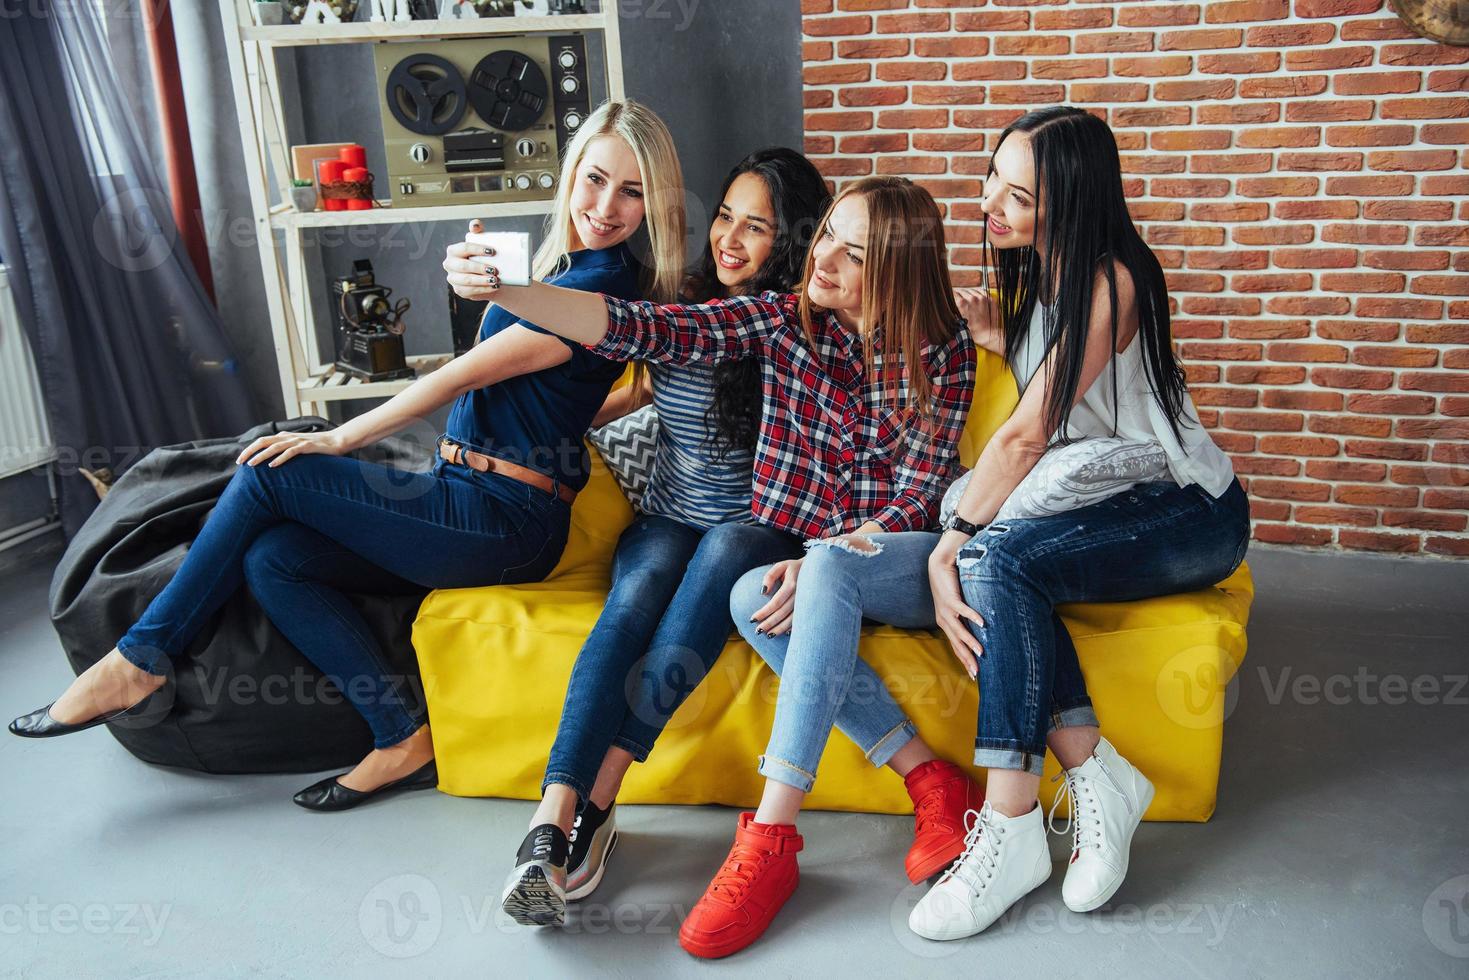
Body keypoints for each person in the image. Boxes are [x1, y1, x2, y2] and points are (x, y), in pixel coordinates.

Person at [9, 99, 688, 814]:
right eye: (594, 178)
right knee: (274, 558)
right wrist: (599, 404)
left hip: (503, 521)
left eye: (632, 190)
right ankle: (401, 735)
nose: (605, 205)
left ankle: (142, 658)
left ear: (654, 203)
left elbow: (458, 376)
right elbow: (573, 389)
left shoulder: (599, 288)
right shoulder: (559, 270)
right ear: (570, 173)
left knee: (278, 471)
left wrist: (337, 437)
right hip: (464, 491)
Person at [444, 174, 981, 956]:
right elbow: (642, 328)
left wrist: (828, 552)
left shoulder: (946, 352)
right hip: (803, 561)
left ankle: (770, 841)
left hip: (898, 560)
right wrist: (517, 289)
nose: (822, 259)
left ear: (897, 267)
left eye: (852, 251)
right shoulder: (783, 319)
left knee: (803, 570)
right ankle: (929, 781)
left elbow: (919, 494)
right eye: (825, 234)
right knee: (740, 596)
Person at [908, 105, 1251, 941]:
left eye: (1018, 195)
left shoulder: (1112, 279)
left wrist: (946, 543)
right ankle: (1096, 777)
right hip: (1109, 497)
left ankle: (1010, 826)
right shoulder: (1047, 276)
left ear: (1070, 200)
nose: (992, 203)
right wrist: (999, 334)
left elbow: (1030, 432)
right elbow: (1056, 396)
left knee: (990, 558)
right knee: (1009, 563)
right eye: (993, 177)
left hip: (1187, 510)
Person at [495, 148, 831, 927]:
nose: (731, 240)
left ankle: (599, 800)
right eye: (724, 218)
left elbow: (828, 446)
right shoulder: (685, 297)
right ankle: (550, 823)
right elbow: (647, 377)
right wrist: (561, 431)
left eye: (757, 228)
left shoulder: (793, 320)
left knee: (714, 561)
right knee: (634, 598)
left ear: (788, 242)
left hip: (751, 530)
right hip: (668, 513)